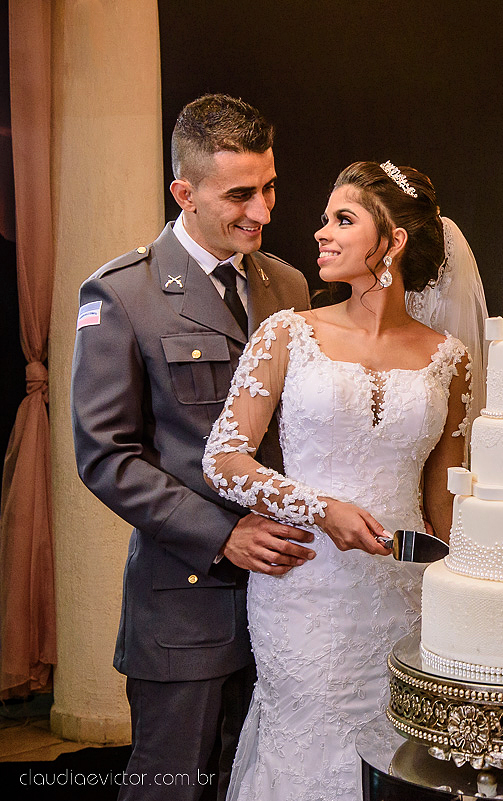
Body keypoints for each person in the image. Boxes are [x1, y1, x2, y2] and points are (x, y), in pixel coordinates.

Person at [202, 160, 484, 800]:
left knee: (400, 754)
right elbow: (224, 457)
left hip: (405, 591)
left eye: (343, 219)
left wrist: (473, 598)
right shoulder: (288, 334)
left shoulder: (450, 358)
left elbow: (444, 507)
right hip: (305, 586)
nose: (320, 233)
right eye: (327, 218)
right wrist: (318, 506)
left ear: (394, 241)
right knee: (310, 749)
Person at [71, 94, 313, 801]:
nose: (262, 211)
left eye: (269, 188)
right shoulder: (124, 292)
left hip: (285, 597)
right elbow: (106, 456)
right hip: (184, 604)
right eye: (240, 194)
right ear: (185, 191)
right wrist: (224, 534)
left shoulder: (288, 284)